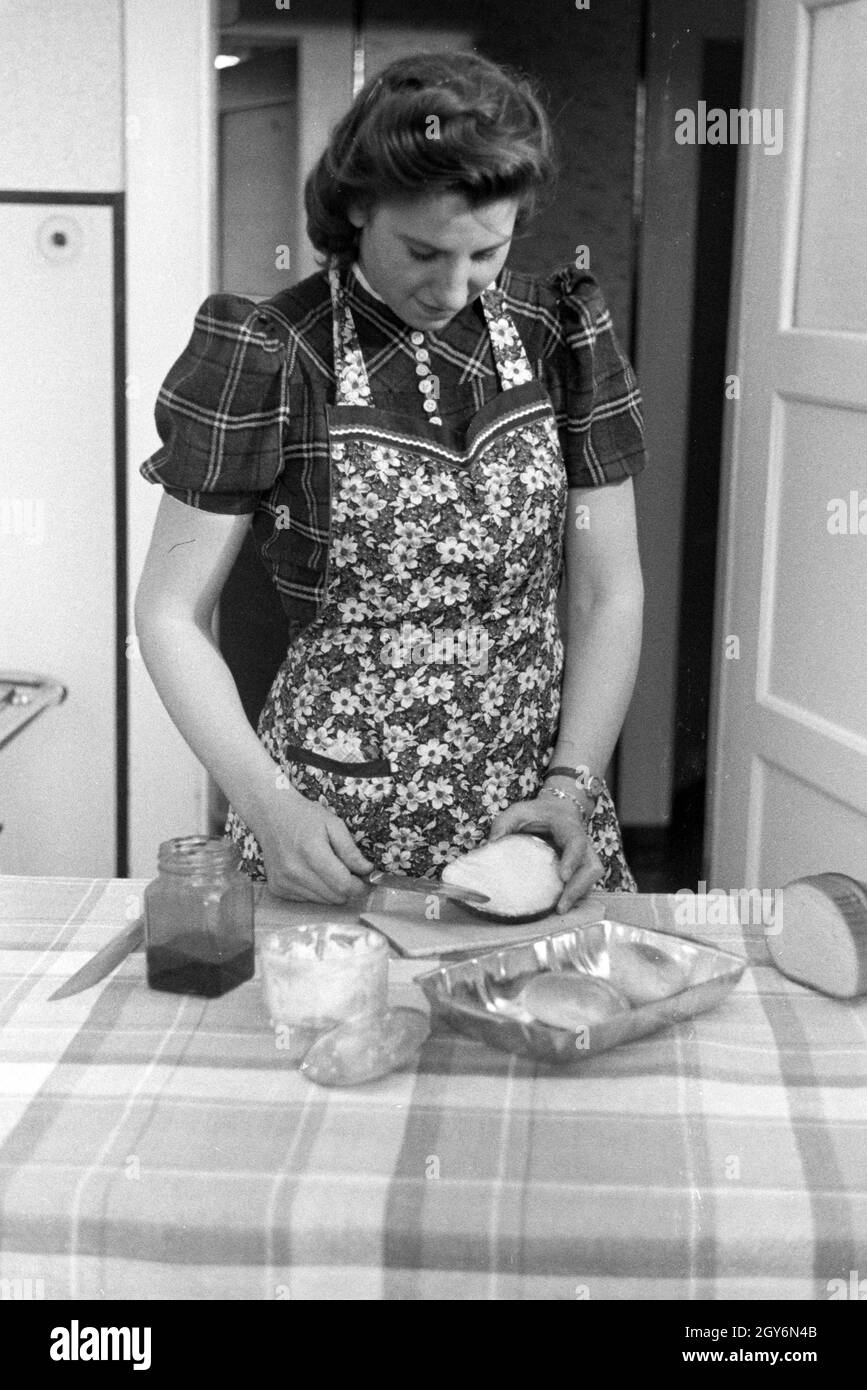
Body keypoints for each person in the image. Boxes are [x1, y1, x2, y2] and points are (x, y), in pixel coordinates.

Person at [135, 50, 647, 913]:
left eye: (488, 250)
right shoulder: (269, 351)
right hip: (328, 829)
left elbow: (608, 591)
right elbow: (167, 611)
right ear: (357, 204)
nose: (453, 286)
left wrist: (569, 789)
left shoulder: (562, 332)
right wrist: (266, 804)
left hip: (532, 818)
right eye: (422, 250)